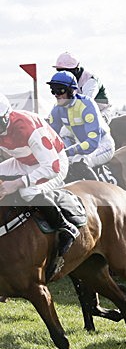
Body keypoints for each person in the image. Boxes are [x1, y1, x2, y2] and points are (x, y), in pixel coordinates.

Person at [0, 93, 79, 280]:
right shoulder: (4, 123)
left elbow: (52, 167)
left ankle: (65, 226)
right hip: (24, 161)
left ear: (6, 117)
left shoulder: (28, 128)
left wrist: (16, 183)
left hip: (53, 164)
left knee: (27, 191)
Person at [45, 71, 115, 181]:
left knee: (79, 162)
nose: (56, 94)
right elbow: (51, 137)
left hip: (101, 145)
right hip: (81, 146)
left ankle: (97, 190)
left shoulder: (87, 104)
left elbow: (92, 143)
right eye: (53, 90)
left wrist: (68, 152)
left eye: (60, 90)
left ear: (71, 91)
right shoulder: (57, 109)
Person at [53, 52, 111, 119]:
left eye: (66, 71)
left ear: (76, 69)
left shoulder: (90, 80)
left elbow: (86, 102)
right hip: (82, 113)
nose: (63, 74)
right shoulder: (68, 81)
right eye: (59, 71)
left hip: (102, 112)